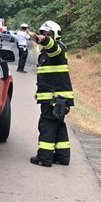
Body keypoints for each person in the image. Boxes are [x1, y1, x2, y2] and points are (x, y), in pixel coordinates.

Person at [31, 20, 75, 167]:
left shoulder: (57, 50)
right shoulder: (46, 53)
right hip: (54, 96)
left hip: (54, 98)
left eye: (48, 34)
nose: (44, 36)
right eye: (42, 33)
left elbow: (53, 48)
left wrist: (46, 40)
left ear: (55, 35)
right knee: (58, 124)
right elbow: (47, 76)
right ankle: (62, 157)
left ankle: (44, 158)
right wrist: (39, 91)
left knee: (47, 124)